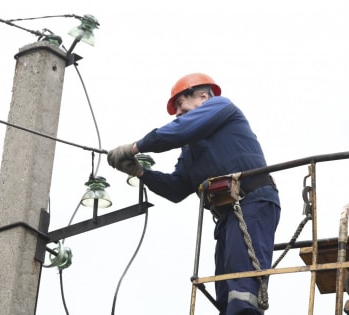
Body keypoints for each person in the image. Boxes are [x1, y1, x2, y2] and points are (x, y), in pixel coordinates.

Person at [107, 73, 281, 315]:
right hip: (228, 215)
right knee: (227, 295)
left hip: (253, 202)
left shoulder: (221, 106)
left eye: (180, 103)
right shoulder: (191, 149)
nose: (178, 112)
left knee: (243, 292)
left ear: (202, 96)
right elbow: (177, 188)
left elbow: (179, 130)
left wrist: (135, 147)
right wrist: (139, 172)